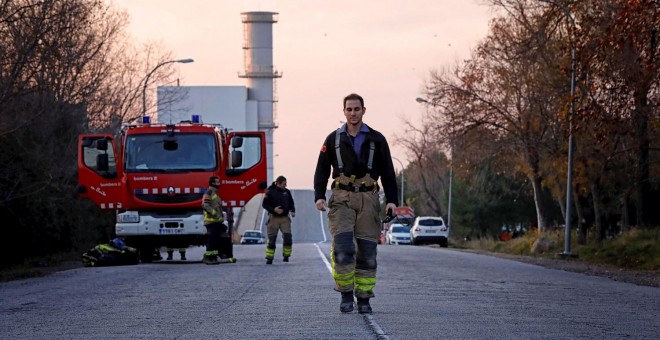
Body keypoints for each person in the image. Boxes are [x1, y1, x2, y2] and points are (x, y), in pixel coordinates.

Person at [314, 93, 398, 314]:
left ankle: (364, 299)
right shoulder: (333, 139)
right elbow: (321, 169)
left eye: (357, 109)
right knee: (343, 249)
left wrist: (392, 201)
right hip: (342, 198)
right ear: (344, 112)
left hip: (369, 199)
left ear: (364, 110)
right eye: (349, 109)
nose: (353, 113)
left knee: (367, 253)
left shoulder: (377, 139)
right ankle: (345, 295)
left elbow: (389, 172)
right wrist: (319, 196)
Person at [262, 175, 296, 264]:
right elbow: (264, 205)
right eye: (284, 184)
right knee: (272, 240)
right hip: (273, 218)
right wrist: (274, 210)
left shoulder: (287, 192)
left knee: (288, 238)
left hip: (285, 218)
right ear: (278, 183)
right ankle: (269, 258)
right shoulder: (270, 192)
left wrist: (292, 211)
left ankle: (286, 256)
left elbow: (291, 203)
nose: (285, 186)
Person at [202, 176, 236, 265]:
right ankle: (208, 257)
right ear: (213, 183)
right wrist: (215, 213)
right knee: (212, 240)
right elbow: (205, 205)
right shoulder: (209, 193)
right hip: (211, 222)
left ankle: (214, 257)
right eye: (217, 182)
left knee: (218, 239)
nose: (219, 184)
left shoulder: (215, 194)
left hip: (216, 222)